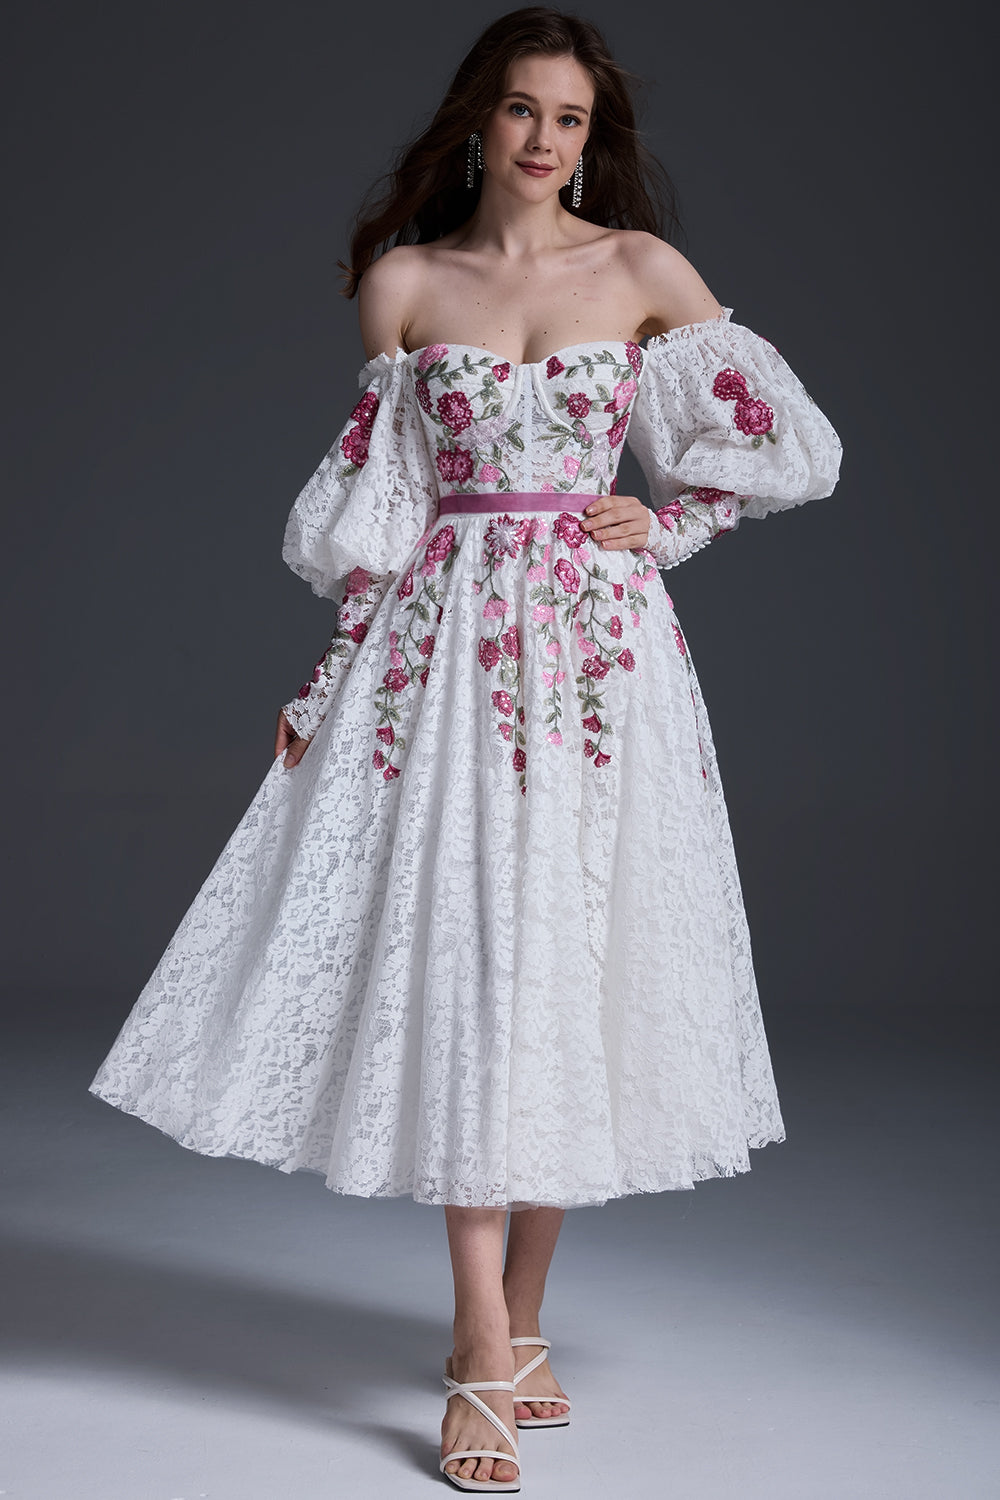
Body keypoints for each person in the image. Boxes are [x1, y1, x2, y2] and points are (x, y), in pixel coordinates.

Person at [88, 6, 842, 1492]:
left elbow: (785, 444)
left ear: (591, 139)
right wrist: (326, 682)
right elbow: (382, 517)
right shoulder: (405, 284)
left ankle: (524, 1318)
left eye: (571, 117)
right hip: (442, 661)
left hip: (603, 668)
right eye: (521, 109)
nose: (546, 139)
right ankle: (480, 1341)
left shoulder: (642, 270)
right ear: (477, 120)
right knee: (478, 961)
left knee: (566, 960)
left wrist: (671, 523)